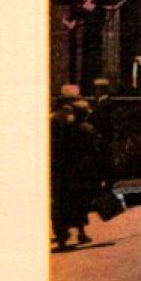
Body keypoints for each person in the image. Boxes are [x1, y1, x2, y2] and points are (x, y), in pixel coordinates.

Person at [50, 91, 102, 250]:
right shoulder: (87, 129)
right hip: (80, 173)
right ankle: (81, 232)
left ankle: (61, 238)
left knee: (61, 204)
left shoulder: (64, 127)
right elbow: (94, 153)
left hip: (62, 172)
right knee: (79, 203)